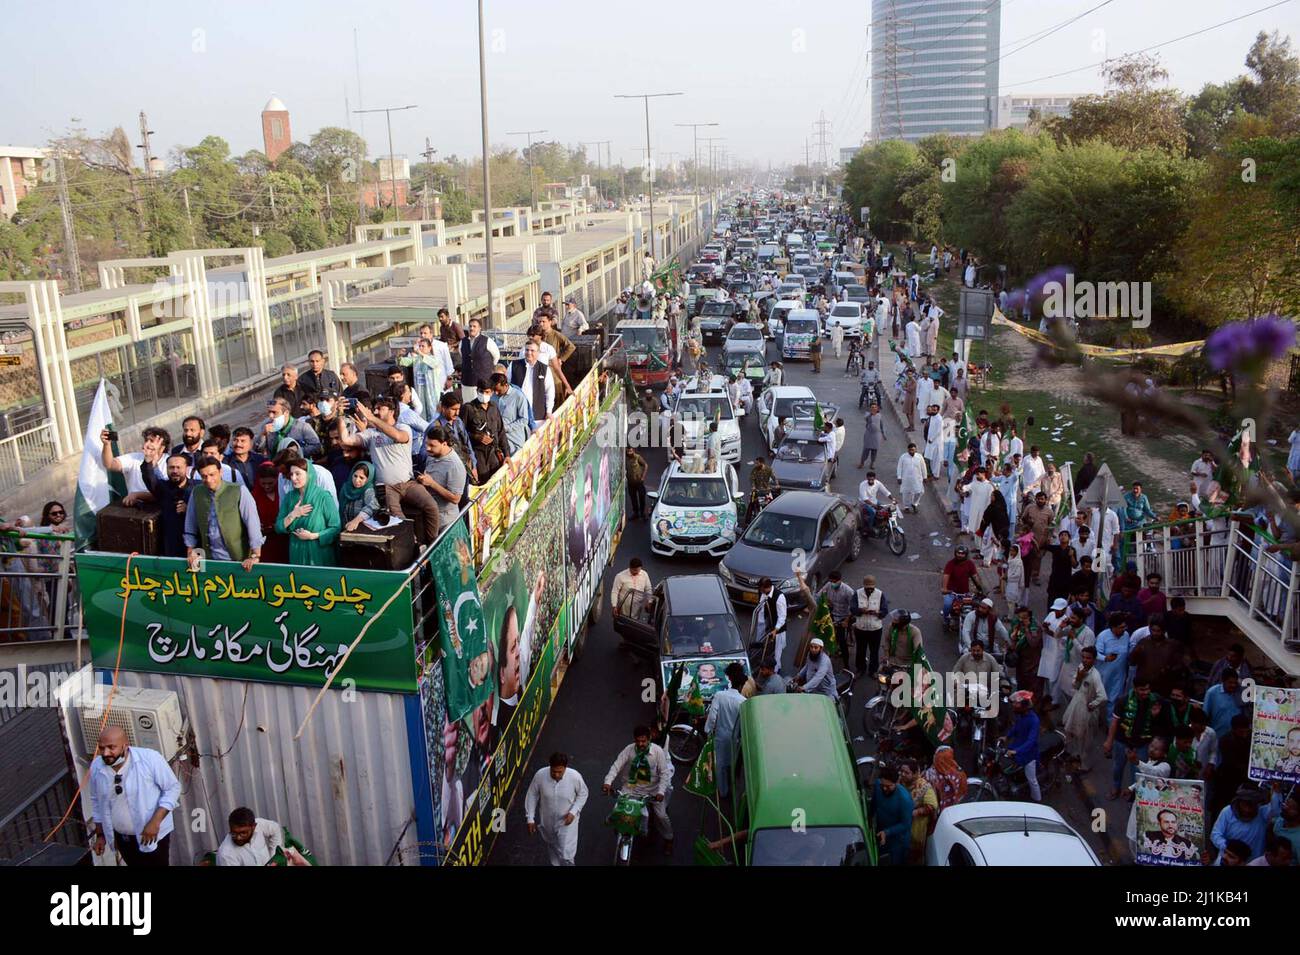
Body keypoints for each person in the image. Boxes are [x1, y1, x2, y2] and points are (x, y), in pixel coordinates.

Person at [337, 398, 440, 546]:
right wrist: (340, 416)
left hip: (409, 483)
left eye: (380, 408)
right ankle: (416, 548)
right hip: (386, 488)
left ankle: (433, 543)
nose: (376, 411)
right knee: (400, 521)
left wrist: (371, 418)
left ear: (392, 411)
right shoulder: (371, 434)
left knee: (431, 506)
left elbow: (399, 437)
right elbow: (345, 441)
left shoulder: (403, 427)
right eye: (375, 409)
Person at [90, 726, 181, 867]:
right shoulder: (97, 766)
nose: (105, 753)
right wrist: (101, 834)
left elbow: (172, 788)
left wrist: (155, 822)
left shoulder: (150, 759)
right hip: (123, 839)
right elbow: (97, 801)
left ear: (125, 745)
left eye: (111, 747)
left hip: (152, 835)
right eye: (102, 748)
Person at [602, 726, 674, 856]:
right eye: (638, 741)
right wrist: (608, 782)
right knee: (617, 809)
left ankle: (669, 839)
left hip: (652, 792)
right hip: (631, 789)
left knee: (661, 816)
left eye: (643, 741)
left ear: (649, 739)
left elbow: (664, 774)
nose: (640, 744)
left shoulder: (658, 752)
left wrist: (661, 792)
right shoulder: (628, 750)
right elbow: (616, 766)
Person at [183, 457, 263, 572]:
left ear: (221, 472)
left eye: (212, 475)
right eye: (204, 476)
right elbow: (190, 525)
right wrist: (191, 552)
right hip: (209, 559)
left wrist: (255, 556)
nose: (209, 479)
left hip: (238, 560)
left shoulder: (239, 490)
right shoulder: (197, 492)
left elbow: (252, 524)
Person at [524, 753, 589, 866]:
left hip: (567, 823)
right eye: (553, 771)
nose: (556, 774)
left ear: (565, 767)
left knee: (566, 854)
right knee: (553, 848)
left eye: (560, 772)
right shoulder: (540, 775)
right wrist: (530, 818)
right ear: (550, 766)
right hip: (547, 822)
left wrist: (574, 812)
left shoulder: (575, 776)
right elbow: (532, 795)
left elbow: (583, 794)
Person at [275, 458, 340, 566]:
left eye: (297, 474)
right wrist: (293, 515)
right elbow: (278, 527)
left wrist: (313, 536)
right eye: (291, 474)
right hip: (297, 553)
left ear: (309, 474)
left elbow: (335, 528)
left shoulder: (323, 497)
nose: (293, 478)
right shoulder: (289, 498)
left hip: (319, 554)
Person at [1104, 678, 1160, 800]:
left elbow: (1158, 725)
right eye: (1142, 689)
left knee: (1138, 772)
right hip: (1122, 742)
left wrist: (1155, 716)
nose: (1146, 692)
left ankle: (1132, 795)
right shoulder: (1123, 701)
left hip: (1142, 744)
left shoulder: (1154, 702)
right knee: (1118, 767)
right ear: (1134, 689)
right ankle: (1115, 788)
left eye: (1148, 689)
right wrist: (1109, 741)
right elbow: (1115, 722)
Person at [1062, 646, 1108, 770]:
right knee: (1075, 733)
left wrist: (1092, 705)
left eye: (1088, 658)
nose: (1085, 660)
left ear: (1094, 660)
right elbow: (1075, 686)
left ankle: (1085, 766)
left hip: (1087, 710)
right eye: (1083, 657)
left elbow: (1103, 697)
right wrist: (1079, 677)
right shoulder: (1081, 668)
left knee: (1086, 739)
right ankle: (1076, 754)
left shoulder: (1095, 675)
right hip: (1077, 704)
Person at [704, 663, 747, 798]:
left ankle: (722, 792)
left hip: (721, 737)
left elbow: (712, 717)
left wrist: (708, 731)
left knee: (721, 765)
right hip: (736, 739)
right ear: (741, 686)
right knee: (733, 765)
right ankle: (733, 790)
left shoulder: (720, 695)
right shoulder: (744, 702)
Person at [1210, 786, 1283, 865]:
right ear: (1239, 801)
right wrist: (1229, 847)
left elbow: (1276, 811)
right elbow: (1215, 834)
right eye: (1245, 805)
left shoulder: (1262, 813)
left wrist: (1276, 792)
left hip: (1252, 862)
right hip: (1227, 861)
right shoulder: (1227, 812)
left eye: (1251, 805)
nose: (1247, 809)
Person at [140, 454, 194, 558]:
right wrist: (148, 460)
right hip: (171, 547)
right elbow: (148, 477)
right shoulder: (163, 488)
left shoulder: (197, 488)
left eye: (178, 467)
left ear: (186, 469)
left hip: (195, 547)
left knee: (199, 572)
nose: (175, 471)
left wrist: (189, 510)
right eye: (171, 467)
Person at [99, 425, 168, 506]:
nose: (147, 444)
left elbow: (164, 492)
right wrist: (107, 445)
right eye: (146, 440)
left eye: (152, 441)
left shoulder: (170, 462)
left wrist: (137, 495)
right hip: (134, 508)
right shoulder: (135, 457)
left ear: (162, 447)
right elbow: (110, 464)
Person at [419, 426, 468, 531]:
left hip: (446, 522)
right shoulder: (432, 455)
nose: (427, 448)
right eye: (427, 444)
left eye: (432, 445)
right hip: (430, 516)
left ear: (444, 444)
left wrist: (432, 484)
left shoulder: (455, 466)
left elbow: (456, 498)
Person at [461, 382, 507, 482]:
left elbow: (501, 431)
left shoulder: (494, 407)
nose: (484, 394)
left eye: (487, 392)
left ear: (491, 393)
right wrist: (476, 436)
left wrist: (506, 454)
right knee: (482, 481)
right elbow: (461, 434)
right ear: (477, 391)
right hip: (478, 454)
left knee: (497, 480)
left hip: (493, 452)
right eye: (481, 391)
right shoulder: (468, 408)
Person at [1003, 690, 1043, 801]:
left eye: (1017, 704)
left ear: (1024, 706)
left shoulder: (1034, 721)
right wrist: (1007, 736)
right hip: (1017, 747)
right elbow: (1015, 727)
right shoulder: (1021, 716)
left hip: (1028, 754)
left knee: (1032, 779)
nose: (1015, 706)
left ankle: (1037, 800)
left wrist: (1017, 751)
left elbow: (1031, 741)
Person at [871, 766, 914, 866]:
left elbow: (906, 824)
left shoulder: (905, 799)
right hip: (880, 833)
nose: (884, 788)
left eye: (888, 786)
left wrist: (887, 832)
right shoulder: (878, 785)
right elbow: (874, 803)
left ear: (896, 782)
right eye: (883, 785)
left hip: (898, 842)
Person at [898, 758, 938, 865]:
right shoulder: (901, 782)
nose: (902, 774)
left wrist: (915, 813)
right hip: (901, 825)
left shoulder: (925, 787)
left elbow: (932, 806)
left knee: (914, 855)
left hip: (916, 828)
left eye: (906, 772)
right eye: (901, 771)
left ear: (915, 774)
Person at [216, 808, 287, 866]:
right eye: (233, 833)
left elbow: (275, 828)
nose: (238, 837)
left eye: (243, 833)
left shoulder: (259, 826)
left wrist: (274, 859)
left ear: (254, 827)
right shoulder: (226, 855)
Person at [817, 570, 857, 670]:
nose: (833, 584)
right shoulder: (828, 585)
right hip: (832, 615)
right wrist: (825, 601)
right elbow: (819, 596)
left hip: (844, 617)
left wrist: (846, 621)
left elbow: (854, 607)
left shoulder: (848, 591)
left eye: (835, 582)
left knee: (842, 641)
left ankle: (846, 664)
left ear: (840, 580)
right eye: (831, 582)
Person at [750, 577, 789, 674]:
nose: (759, 590)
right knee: (762, 645)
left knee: (777, 652)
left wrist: (775, 630)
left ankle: (775, 671)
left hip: (778, 629)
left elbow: (782, 617)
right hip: (766, 624)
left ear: (766, 588)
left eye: (761, 588)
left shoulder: (779, 597)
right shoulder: (763, 593)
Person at [853, 575, 889, 676]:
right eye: (867, 588)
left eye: (871, 588)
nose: (869, 590)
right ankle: (860, 669)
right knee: (860, 650)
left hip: (875, 629)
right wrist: (861, 610)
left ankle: (873, 670)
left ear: (874, 586)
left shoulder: (880, 594)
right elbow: (852, 609)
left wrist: (877, 613)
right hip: (861, 628)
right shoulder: (857, 593)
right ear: (864, 586)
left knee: (874, 651)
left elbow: (885, 610)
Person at [511, 341, 555, 422]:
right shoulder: (514, 365)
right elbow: (507, 386)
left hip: (537, 414)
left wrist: (549, 412)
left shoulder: (545, 369)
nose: (529, 353)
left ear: (538, 352)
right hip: (516, 413)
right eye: (527, 350)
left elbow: (550, 391)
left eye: (532, 351)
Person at [458, 317, 502, 393]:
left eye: (474, 326)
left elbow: (496, 355)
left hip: (483, 380)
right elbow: (462, 355)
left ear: (479, 328)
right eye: (470, 326)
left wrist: (488, 367)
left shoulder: (487, 341)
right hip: (467, 381)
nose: (471, 328)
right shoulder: (463, 342)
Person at [1203, 668, 1244, 740]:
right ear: (1223, 681)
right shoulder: (1212, 693)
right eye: (1230, 683)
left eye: (1235, 683)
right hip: (1216, 737)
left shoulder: (1241, 693)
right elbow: (1204, 715)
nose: (1233, 685)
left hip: (1235, 739)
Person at [339, 461, 379, 532]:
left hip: (361, 531)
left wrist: (356, 521)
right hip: (344, 529)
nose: (357, 480)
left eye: (361, 478)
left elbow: (372, 506)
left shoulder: (368, 490)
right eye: (355, 476)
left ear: (368, 479)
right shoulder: (345, 488)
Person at [896, 442, 926, 513]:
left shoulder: (919, 457)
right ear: (908, 450)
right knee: (906, 493)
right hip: (906, 479)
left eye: (913, 450)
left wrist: (925, 477)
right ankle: (906, 507)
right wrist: (899, 477)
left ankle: (914, 504)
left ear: (916, 450)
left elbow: (923, 467)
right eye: (910, 450)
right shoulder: (903, 457)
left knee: (919, 492)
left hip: (917, 478)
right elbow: (899, 467)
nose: (911, 451)